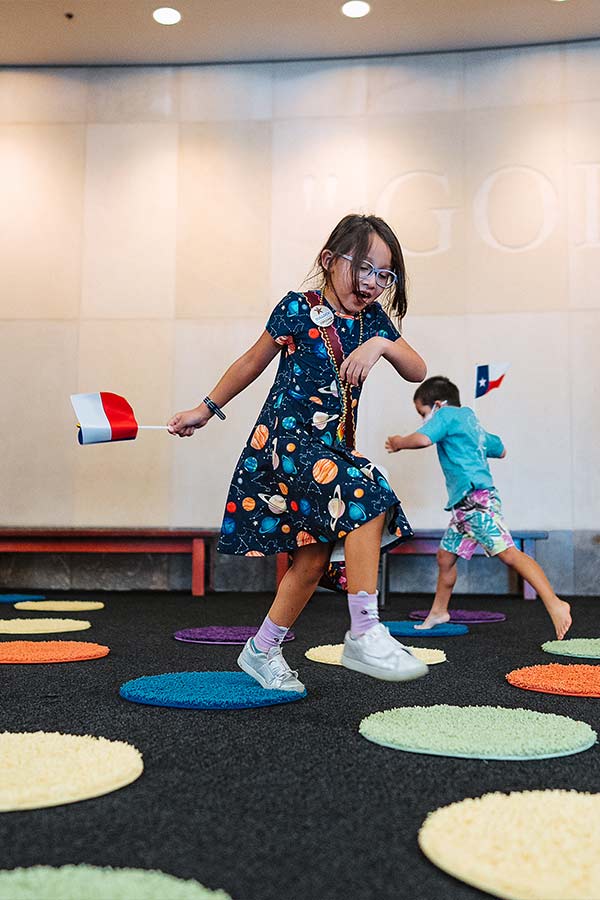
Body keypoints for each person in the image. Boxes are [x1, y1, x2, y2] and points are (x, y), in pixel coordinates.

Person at [168, 214, 430, 691]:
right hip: (285, 445)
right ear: (330, 261)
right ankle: (366, 629)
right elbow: (251, 360)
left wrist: (380, 344)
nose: (372, 283)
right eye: (363, 267)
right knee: (367, 490)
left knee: (311, 559)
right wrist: (205, 409)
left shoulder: (373, 321)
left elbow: (417, 369)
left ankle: (261, 649)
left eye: (383, 274)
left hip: (328, 451)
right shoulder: (296, 309)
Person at [385, 375, 572, 640]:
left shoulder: (448, 414)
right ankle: (439, 611)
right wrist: (473, 438)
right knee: (445, 557)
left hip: (477, 501)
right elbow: (502, 449)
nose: (424, 420)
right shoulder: (471, 423)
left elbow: (423, 440)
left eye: (423, 413)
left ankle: (555, 602)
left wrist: (399, 442)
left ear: (437, 405)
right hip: (463, 507)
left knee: (508, 553)